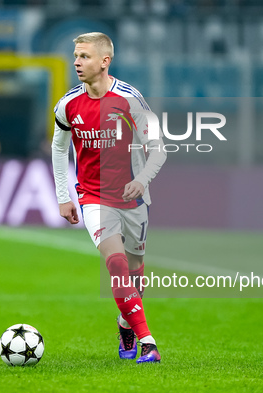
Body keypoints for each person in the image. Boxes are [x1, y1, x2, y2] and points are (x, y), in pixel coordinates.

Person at [51, 32, 166, 363]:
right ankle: (148, 342)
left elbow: (158, 149)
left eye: (84, 56)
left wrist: (142, 181)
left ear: (105, 61)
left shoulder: (129, 99)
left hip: (132, 199)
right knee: (115, 264)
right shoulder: (67, 104)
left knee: (135, 271)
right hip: (93, 198)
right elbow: (58, 149)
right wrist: (64, 195)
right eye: (75, 55)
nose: (76, 62)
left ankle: (125, 324)